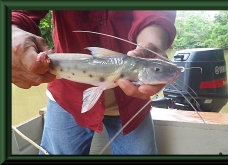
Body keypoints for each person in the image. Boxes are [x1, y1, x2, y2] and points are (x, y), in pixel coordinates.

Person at [12, 10, 176, 155]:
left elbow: (154, 12)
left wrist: (152, 45)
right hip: (67, 97)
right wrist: (11, 36)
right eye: (157, 71)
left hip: (133, 104)